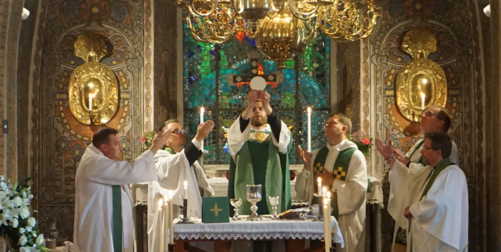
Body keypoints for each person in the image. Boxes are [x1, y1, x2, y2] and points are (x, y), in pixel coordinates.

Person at [375, 105, 459, 251]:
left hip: (427, 215)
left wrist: (408, 164)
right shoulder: (419, 144)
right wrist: (390, 159)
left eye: (429, 114)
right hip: (410, 208)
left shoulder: (449, 147)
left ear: (441, 122)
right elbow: (407, 173)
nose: (422, 115)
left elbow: (436, 178)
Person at [74, 127, 171, 252]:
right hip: (99, 232)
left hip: (110, 230)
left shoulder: (104, 162)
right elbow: (130, 172)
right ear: (104, 147)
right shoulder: (92, 163)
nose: (120, 147)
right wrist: (154, 148)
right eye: (116, 144)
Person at [295, 113, 367, 252]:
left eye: (332, 123)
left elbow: (358, 192)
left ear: (344, 128)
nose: (326, 125)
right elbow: (305, 193)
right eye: (326, 123)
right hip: (318, 222)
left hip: (344, 221)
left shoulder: (355, 156)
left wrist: (333, 181)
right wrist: (307, 168)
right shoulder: (318, 155)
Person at [387, 131, 468, 252]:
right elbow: (410, 176)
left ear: (438, 152)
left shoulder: (452, 173)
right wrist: (389, 159)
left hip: (438, 243)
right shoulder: (430, 171)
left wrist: (413, 209)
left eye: (426, 148)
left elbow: (439, 203)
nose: (421, 151)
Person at [147, 119, 215, 252]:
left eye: (182, 130)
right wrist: (198, 138)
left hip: (194, 219)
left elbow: (205, 189)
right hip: (170, 219)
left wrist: (200, 191)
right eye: (175, 131)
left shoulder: (192, 163)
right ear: (165, 140)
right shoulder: (159, 159)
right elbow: (178, 164)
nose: (181, 133)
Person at [227, 90, 292, 215]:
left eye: (261, 108)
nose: (257, 111)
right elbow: (233, 137)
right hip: (244, 192)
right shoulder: (240, 135)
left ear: (267, 113)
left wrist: (268, 107)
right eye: (253, 109)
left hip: (273, 190)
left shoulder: (277, 133)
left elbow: (284, 143)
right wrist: (249, 106)